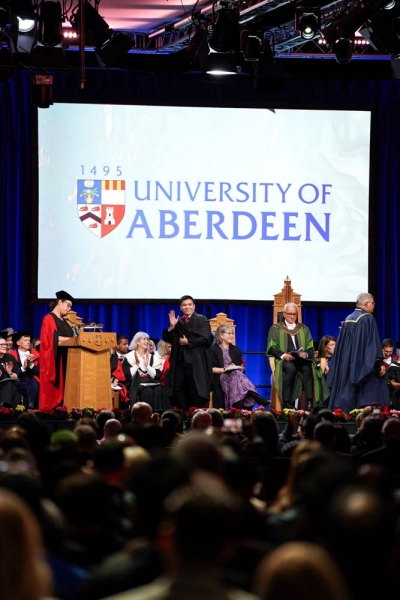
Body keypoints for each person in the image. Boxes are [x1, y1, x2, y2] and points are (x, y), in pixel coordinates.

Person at [327, 293, 390, 412]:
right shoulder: (368, 318)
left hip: (347, 364)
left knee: (348, 389)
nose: (374, 306)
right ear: (366, 304)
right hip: (362, 364)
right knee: (376, 386)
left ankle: (346, 415)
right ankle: (374, 415)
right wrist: (379, 362)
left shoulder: (348, 318)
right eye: (373, 303)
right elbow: (372, 344)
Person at [267, 303, 326, 410]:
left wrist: (305, 354)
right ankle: (287, 402)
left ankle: (309, 401)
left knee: (307, 368)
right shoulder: (275, 328)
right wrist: (283, 355)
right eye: (289, 314)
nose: (292, 316)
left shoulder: (303, 328)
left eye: (294, 314)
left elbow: (310, 346)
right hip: (285, 360)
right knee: (291, 368)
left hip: (301, 360)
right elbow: (271, 347)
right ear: (284, 314)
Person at [162, 295, 213, 410]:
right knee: (179, 389)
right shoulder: (178, 321)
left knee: (195, 389)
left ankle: (196, 414)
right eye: (184, 305)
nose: (187, 307)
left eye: (189, 304)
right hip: (180, 362)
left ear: (194, 306)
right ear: (181, 307)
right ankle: (183, 414)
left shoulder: (201, 319)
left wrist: (188, 341)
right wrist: (172, 326)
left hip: (196, 361)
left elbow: (206, 338)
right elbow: (168, 339)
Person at [209, 324, 268, 410]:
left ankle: (236, 409)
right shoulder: (213, 350)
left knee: (235, 373)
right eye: (229, 334)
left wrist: (238, 367)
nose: (232, 336)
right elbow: (211, 369)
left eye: (232, 333)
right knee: (236, 375)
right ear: (221, 335)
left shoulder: (236, 349)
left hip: (236, 377)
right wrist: (226, 369)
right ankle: (255, 395)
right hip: (221, 377)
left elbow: (242, 366)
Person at [39, 290, 74, 410]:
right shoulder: (49, 319)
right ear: (60, 302)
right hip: (54, 359)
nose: (69, 309)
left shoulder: (65, 321)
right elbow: (49, 338)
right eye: (68, 305)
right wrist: (66, 339)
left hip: (65, 358)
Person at [125, 332, 163, 407]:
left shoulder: (153, 357)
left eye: (147, 340)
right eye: (144, 339)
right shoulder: (129, 356)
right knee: (147, 391)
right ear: (137, 342)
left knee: (159, 389)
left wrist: (147, 366)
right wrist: (136, 364)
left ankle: (157, 413)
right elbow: (128, 375)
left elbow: (157, 375)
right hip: (136, 383)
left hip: (151, 382)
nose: (146, 341)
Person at [9, 331, 40, 409]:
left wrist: (31, 365)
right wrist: (24, 367)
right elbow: (10, 372)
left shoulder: (37, 355)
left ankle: (31, 405)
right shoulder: (11, 356)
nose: (28, 342)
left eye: (29, 340)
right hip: (17, 380)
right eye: (25, 340)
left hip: (32, 380)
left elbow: (40, 373)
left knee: (33, 382)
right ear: (18, 343)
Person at [0, 335, 20, 407]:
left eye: (5, 344)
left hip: (9, 385)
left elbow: (16, 377)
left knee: (11, 384)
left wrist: (10, 372)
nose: (5, 346)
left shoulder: (10, 358)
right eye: (1, 344)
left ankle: (4, 406)